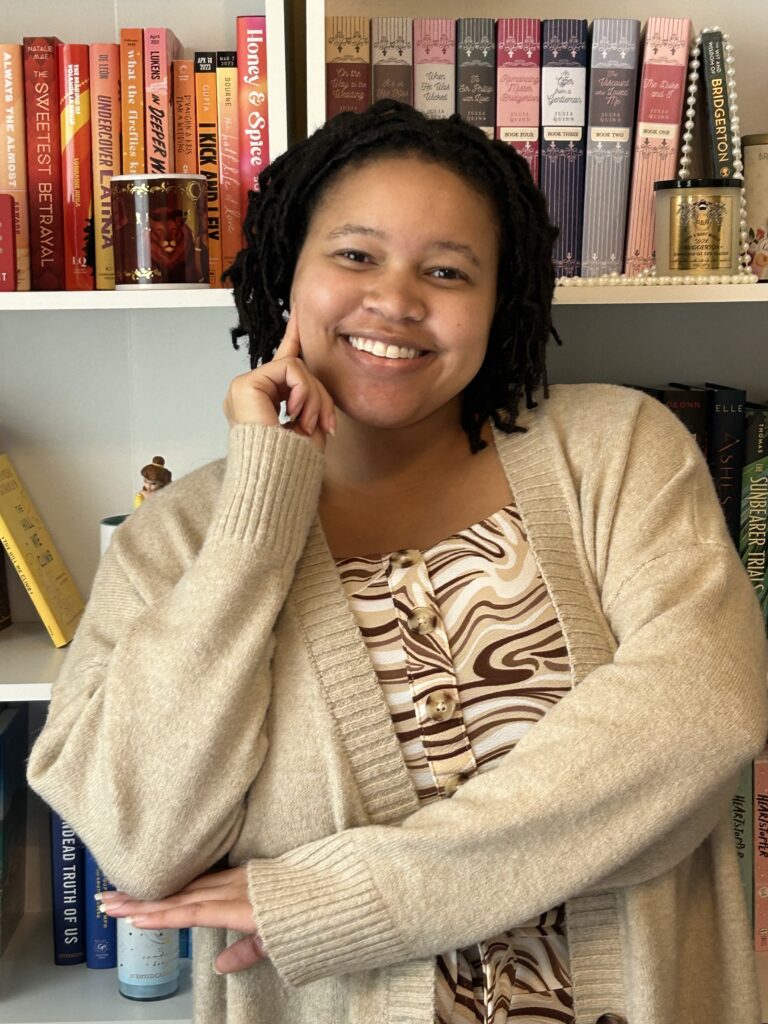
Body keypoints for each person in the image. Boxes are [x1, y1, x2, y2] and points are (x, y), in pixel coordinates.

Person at [27, 100, 768, 1024]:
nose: (398, 299)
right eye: (355, 254)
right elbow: (140, 837)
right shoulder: (171, 543)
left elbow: (702, 718)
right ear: (286, 270)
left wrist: (356, 901)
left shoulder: (617, 452)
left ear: (501, 302)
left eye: (448, 270)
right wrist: (261, 511)